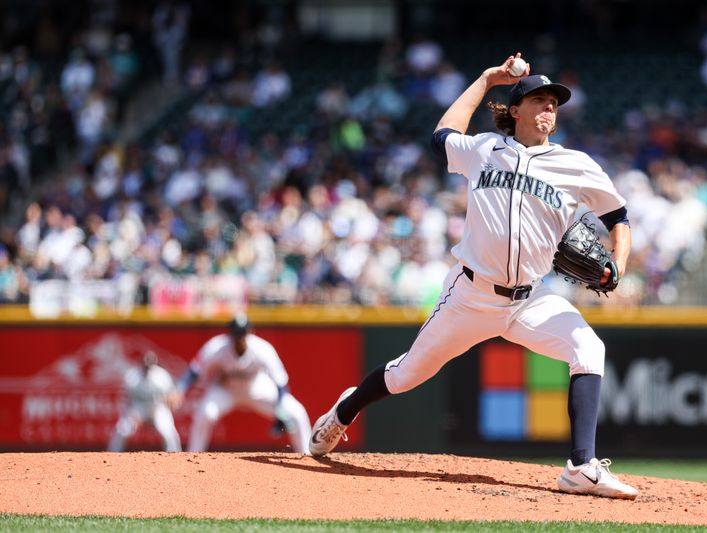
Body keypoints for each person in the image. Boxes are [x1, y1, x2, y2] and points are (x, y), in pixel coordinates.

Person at [308, 54, 638, 500]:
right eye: (539, 101)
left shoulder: (576, 165)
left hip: (529, 300)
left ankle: (581, 467)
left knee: (588, 348)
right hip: (470, 296)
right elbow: (441, 136)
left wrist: (619, 261)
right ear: (515, 110)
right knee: (405, 375)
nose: (549, 110)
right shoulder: (484, 150)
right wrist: (485, 80)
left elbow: (618, 215)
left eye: (554, 104)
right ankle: (343, 412)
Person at [174, 313, 311, 453]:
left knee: (296, 412)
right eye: (236, 334)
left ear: (250, 332)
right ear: (230, 334)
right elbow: (194, 371)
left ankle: (307, 455)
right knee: (205, 413)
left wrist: (281, 409)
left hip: (256, 387)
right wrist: (180, 388)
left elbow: (281, 383)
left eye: (242, 333)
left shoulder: (262, 348)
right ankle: (192, 457)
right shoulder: (217, 347)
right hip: (225, 389)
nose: (239, 338)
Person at [108, 351, 182, 452]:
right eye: (145, 365)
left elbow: (173, 397)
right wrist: (129, 414)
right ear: (141, 364)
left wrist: (170, 403)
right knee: (122, 430)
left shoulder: (162, 376)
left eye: (150, 365)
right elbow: (124, 400)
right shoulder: (132, 377)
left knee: (169, 432)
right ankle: (111, 457)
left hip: (158, 408)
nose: (147, 368)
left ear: (154, 364)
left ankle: (176, 459)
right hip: (138, 408)